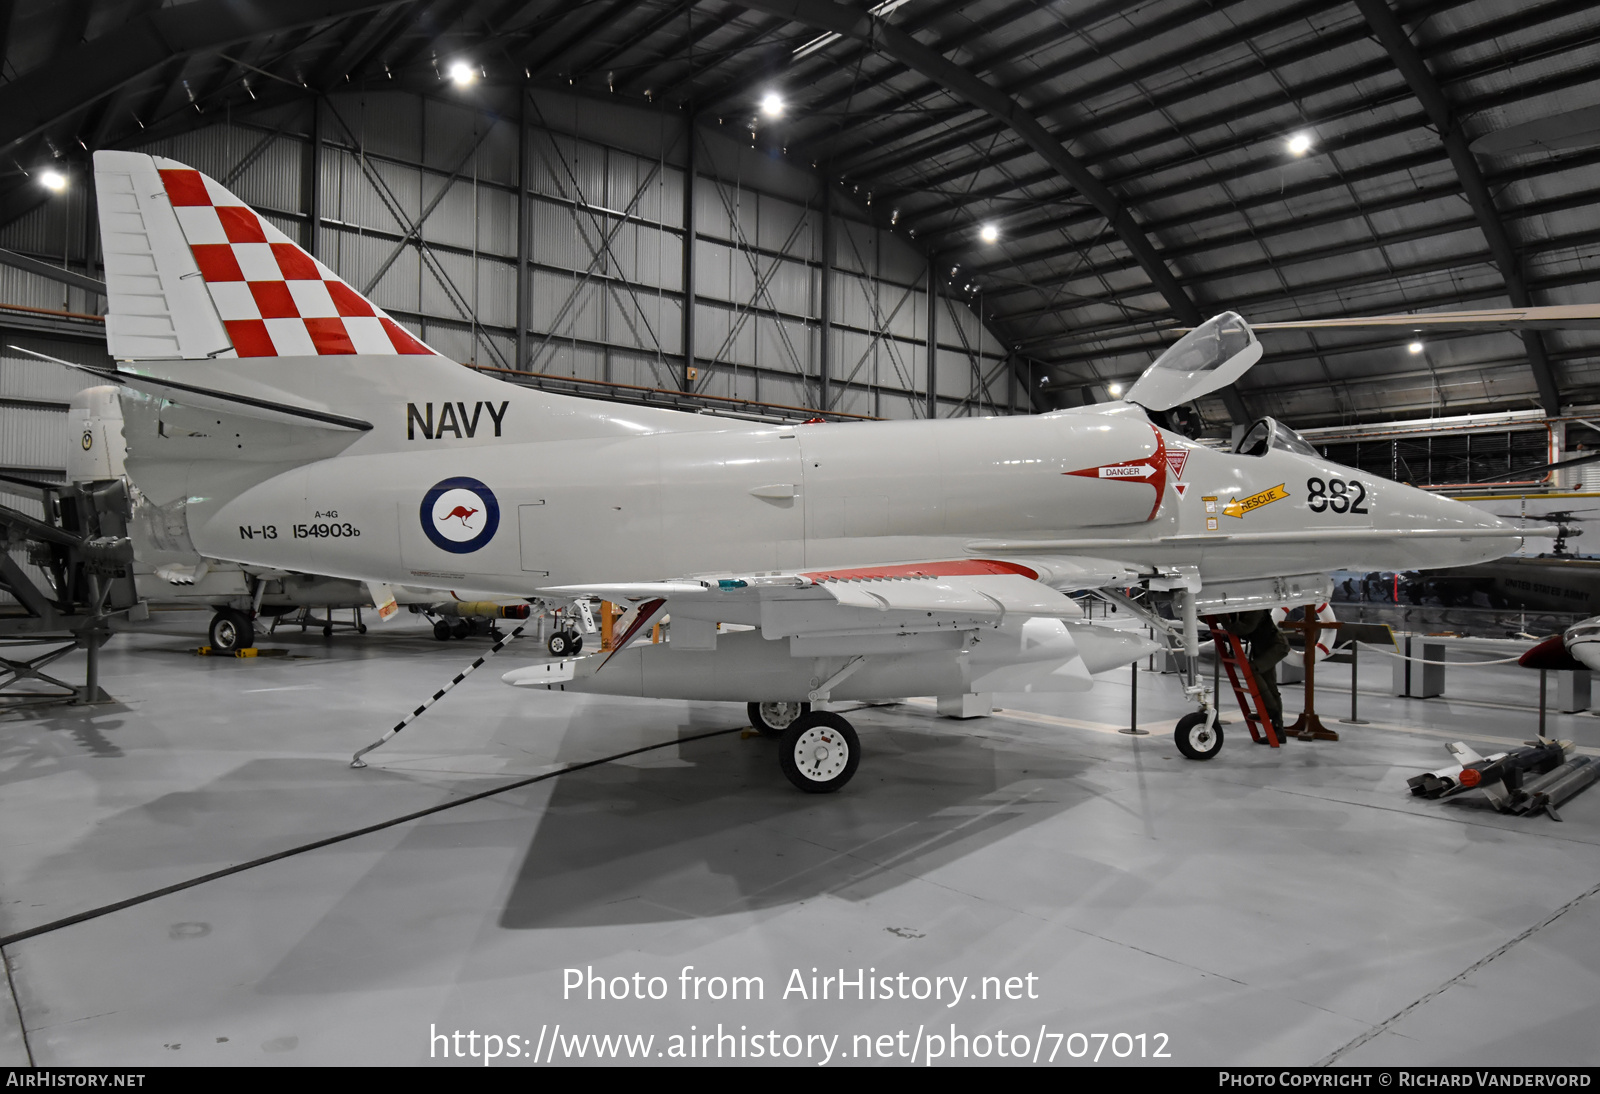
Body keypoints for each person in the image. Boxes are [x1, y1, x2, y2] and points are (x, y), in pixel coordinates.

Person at [1222, 610, 1292, 736]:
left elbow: (1244, 628)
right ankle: (1278, 730)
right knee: (1271, 687)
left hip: (1276, 646)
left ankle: (1270, 710)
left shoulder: (1256, 609)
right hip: (1264, 648)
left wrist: (1223, 619)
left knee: (1253, 669)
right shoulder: (1244, 609)